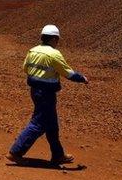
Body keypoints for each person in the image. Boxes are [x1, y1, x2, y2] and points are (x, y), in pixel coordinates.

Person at [7, 24, 88, 165]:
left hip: (35, 90)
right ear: (54, 39)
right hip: (47, 93)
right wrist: (82, 78)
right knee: (38, 123)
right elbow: (68, 73)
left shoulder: (32, 51)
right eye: (57, 39)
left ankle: (58, 155)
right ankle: (15, 152)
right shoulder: (54, 54)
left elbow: (25, 68)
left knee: (51, 124)